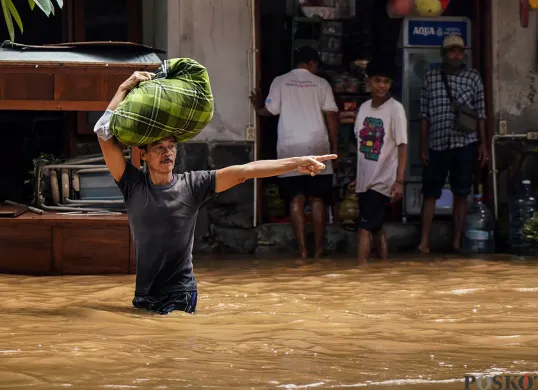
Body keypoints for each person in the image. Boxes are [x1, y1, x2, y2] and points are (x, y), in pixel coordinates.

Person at [94, 71, 337, 315]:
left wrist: (296, 162)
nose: (167, 153)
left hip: (180, 293)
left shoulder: (192, 185)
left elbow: (246, 170)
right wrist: (124, 88)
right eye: (159, 148)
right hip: (145, 293)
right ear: (143, 154)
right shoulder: (133, 185)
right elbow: (104, 135)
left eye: (171, 147)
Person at [250, 46, 340, 259]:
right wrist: (334, 146)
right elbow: (331, 117)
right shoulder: (321, 83)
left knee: (296, 199)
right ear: (311, 64)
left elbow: (268, 111)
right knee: (317, 199)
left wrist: (257, 106)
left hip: (289, 147)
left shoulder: (280, 81)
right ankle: (318, 250)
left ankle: (302, 252)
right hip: (317, 145)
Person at [418, 35, 488, 254]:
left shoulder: (473, 77)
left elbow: (481, 113)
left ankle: (457, 240)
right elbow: (424, 114)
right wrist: (422, 145)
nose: (456, 54)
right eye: (451, 51)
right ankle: (424, 240)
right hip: (437, 143)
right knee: (430, 192)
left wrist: (483, 144)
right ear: (443, 53)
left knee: (461, 192)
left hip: (465, 142)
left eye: (459, 51)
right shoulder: (430, 77)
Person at [353, 61, 408, 265]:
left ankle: (361, 272)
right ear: (369, 82)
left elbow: (402, 145)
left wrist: (399, 181)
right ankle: (383, 268)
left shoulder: (396, 109)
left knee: (364, 228)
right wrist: (356, 177)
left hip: (382, 180)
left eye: (386, 82)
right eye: (377, 81)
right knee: (376, 226)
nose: (382, 86)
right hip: (365, 179)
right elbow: (360, 145)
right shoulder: (364, 109)